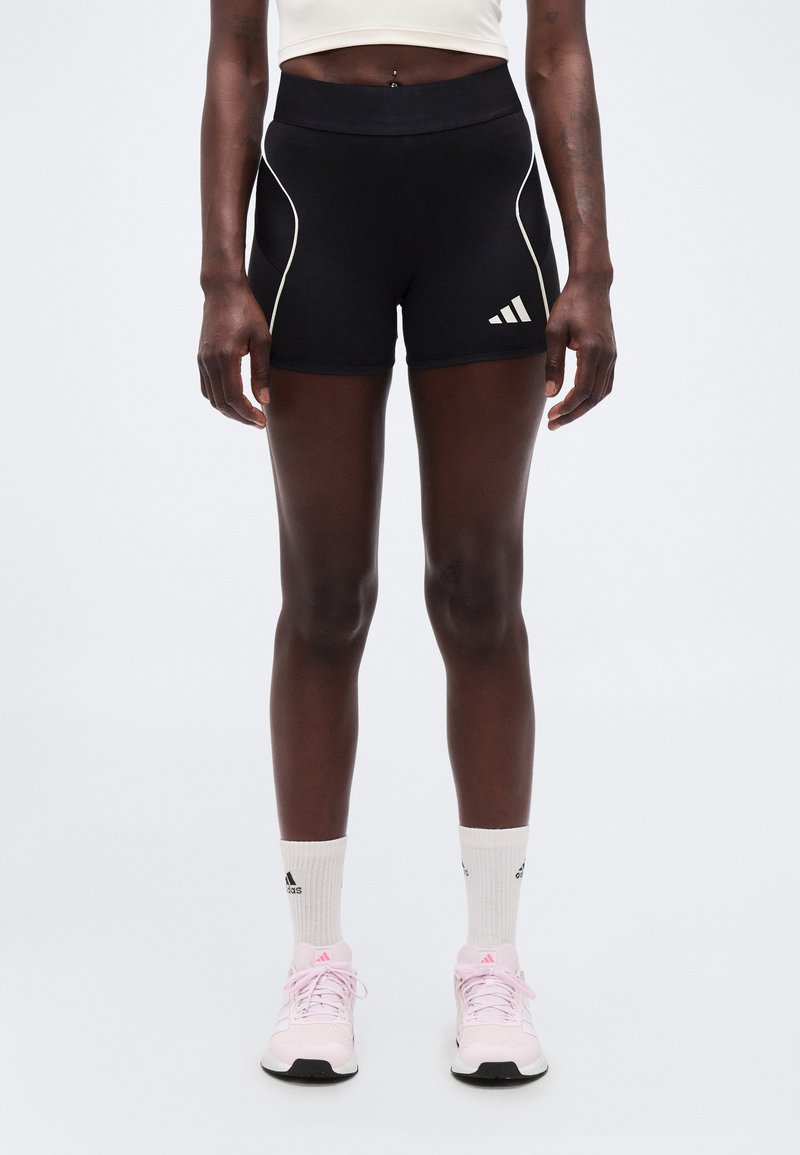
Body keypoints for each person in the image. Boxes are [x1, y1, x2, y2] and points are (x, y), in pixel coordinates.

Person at [197, 0, 616, 1084]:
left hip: (480, 188)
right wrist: (220, 275)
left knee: (478, 588)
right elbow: (237, 52)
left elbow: (558, 45)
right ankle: (315, 962)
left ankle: (492, 962)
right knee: (325, 594)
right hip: (314, 193)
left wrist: (592, 267)